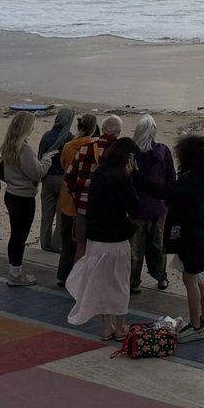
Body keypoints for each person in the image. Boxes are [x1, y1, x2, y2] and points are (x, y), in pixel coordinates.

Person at [139, 133, 204, 341]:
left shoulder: (189, 180)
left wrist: (137, 179)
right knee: (200, 276)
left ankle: (195, 325)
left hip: (192, 238)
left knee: (189, 278)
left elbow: (165, 192)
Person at [66, 138, 140, 340]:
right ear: (128, 159)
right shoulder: (120, 177)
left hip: (96, 238)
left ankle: (107, 327)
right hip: (116, 240)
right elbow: (133, 206)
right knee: (119, 284)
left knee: (101, 283)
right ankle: (121, 326)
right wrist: (130, 179)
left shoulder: (100, 172)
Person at [0, 111, 55, 286]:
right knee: (20, 236)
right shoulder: (23, 149)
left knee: (15, 235)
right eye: (31, 126)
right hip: (23, 197)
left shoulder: (8, 145)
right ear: (25, 127)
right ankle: (16, 275)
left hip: (11, 194)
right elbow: (36, 172)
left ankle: (14, 270)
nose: (33, 128)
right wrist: (46, 160)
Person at [64, 114, 122, 259]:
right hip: (107, 210)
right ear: (118, 132)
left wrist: (76, 196)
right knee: (102, 251)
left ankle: (78, 273)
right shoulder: (121, 153)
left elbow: (69, 176)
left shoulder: (86, 148)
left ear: (102, 129)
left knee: (81, 248)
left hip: (83, 206)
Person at [130, 114, 176, 293]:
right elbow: (171, 176)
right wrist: (169, 199)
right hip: (158, 205)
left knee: (135, 247)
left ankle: (134, 280)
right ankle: (161, 276)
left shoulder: (132, 154)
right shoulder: (163, 151)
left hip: (137, 205)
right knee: (158, 243)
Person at [56, 112, 98, 286]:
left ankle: (62, 275)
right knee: (82, 242)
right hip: (83, 200)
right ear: (93, 129)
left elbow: (64, 165)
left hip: (67, 197)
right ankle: (77, 277)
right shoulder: (93, 147)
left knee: (66, 239)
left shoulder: (68, 146)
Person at [37, 106, 75, 253]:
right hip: (62, 180)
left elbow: (40, 156)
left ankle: (45, 243)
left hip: (48, 177)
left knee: (46, 214)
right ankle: (56, 244)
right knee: (61, 215)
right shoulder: (70, 138)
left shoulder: (46, 136)